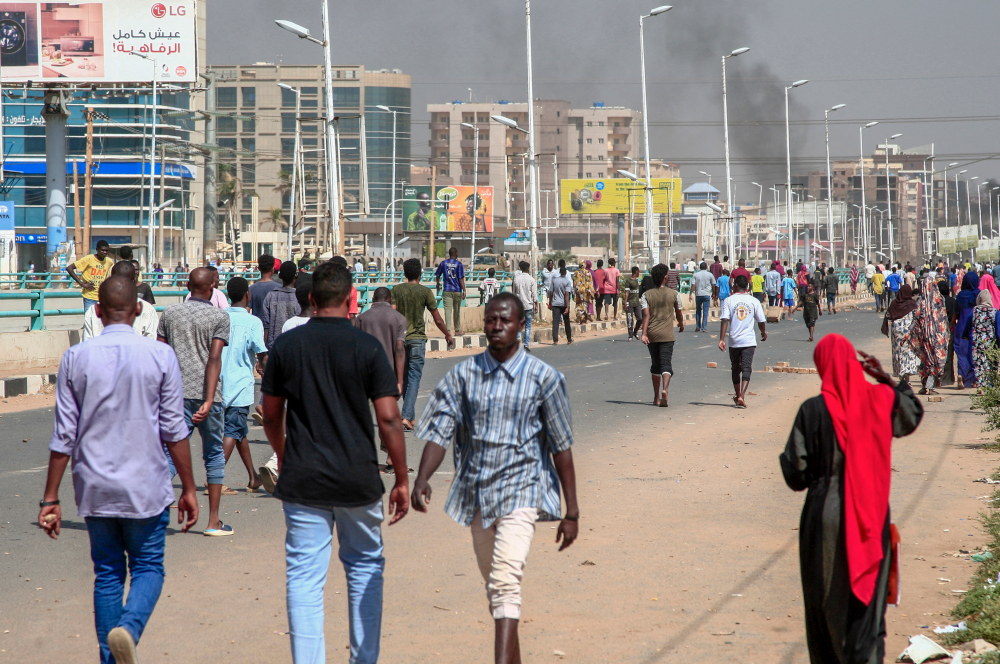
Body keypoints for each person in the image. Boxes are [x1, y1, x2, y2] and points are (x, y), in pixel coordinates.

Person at [410, 293, 579, 664]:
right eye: (490, 320)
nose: (496, 327)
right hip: (478, 496)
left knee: (505, 583)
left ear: (520, 325)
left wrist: (573, 512)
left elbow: (561, 446)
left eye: (505, 320)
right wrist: (421, 479)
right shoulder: (463, 375)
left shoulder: (544, 378)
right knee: (497, 591)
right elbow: (440, 431)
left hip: (523, 492)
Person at [40, 275, 199, 664]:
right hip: (146, 486)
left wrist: (50, 498)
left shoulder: (76, 358)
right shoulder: (160, 356)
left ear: (97, 310)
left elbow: (65, 435)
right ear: (140, 309)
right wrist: (190, 488)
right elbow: (174, 431)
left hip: (94, 487)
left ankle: (110, 659)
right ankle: (128, 630)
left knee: (108, 575)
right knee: (148, 568)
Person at [261, 262, 410, 664]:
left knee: (304, 579)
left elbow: (271, 415)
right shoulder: (367, 348)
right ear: (350, 300)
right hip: (358, 478)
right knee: (364, 570)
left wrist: (286, 453)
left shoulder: (287, 348)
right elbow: (389, 418)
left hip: (304, 479)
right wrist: (400, 477)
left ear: (310, 300)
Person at [780, 334, 923, 664]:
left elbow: (796, 474)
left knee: (823, 601)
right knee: (867, 606)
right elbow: (912, 415)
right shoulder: (880, 400)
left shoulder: (812, 411)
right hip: (870, 517)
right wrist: (887, 379)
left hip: (823, 517)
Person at [157, 267, 232, 536]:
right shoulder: (219, 316)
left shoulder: (170, 313)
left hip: (174, 395)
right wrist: (209, 399)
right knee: (213, 455)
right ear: (212, 287)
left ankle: (150, 514)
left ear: (187, 285)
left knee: (169, 454)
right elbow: (214, 359)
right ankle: (213, 522)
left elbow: (161, 354)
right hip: (207, 397)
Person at [393, 258, 454, 431]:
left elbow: (392, 314)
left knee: (405, 378)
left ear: (404, 273)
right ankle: (406, 416)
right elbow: (437, 318)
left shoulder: (396, 290)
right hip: (418, 340)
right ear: (420, 273)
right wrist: (447, 334)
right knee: (413, 378)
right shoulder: (425, 292)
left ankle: (409, 416)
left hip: (400, 340)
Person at [220, 276, 267, 492]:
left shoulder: (220, 317)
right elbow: (261, 351)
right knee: (233, 428)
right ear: (247, 296)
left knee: (239, 429)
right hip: (239, 383)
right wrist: (266, 367)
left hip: (218, 382)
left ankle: (253, 478)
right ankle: (215, 477)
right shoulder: (252, 322)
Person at [718, 275, 766, 408]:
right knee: (746, 367)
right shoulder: (754, 301)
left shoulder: (729, 300)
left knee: (735, 368)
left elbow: (724, 320)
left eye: (733, 285)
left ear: (737, 286)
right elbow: (761, 321)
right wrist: (763, 333)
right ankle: (741, 396)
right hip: (749, 341)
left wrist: (722, 339)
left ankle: (739, 394)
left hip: (734, 340)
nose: (732, 286)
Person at [640, 263, 684, 406]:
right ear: (665, 277)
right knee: (666, 364)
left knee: (655, 365)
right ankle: (665, 389)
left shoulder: (646, 295)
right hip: (667, 335)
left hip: (652, 334)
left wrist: (644, 333)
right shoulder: (674, 294)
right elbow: (679, 313)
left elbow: (645, 316)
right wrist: (681, 324)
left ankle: (656, 398)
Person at [83, 261, 159, 341]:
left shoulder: (93, 310)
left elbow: (86, 342)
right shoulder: (147, 309)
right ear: (134, 280)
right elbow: (152, 339)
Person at [916, 275, 950, 395]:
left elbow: (916, 318)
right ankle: (929, 387)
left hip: (924, 336)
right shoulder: (939, 299)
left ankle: (926, 386)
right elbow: (943, 317)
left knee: (926, 360)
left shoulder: (920, 300)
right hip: (937, 336)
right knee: (934, 360)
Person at [880, 284, 920, 385]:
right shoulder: (912, 303)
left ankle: (901, 374)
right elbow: (917, 317)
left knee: (898, 352)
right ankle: (906, 372)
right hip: (909, 332)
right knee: (908, 352)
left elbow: (888, 315)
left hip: (897, 332)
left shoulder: (894, 303)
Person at [66, 239, 114, 312]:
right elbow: (69, 268)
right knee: (89, 320)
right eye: (103, 250)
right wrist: (82, 284)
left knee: (100, 321)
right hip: (90, 296)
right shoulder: (89, 259)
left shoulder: (109, 261)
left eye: (107, 251)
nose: (105, 253)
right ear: (97, 249)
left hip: (102, 297)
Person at [262, 261, 301, 349]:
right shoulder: (299, 297)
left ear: (280, 276)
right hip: (294, 347)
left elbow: (266, 325)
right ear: (296, 275)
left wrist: (263, 350)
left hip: (274, 347)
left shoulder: (270, 296)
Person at [955, 271, 980, 389]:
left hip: (961, 325)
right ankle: (974, 380)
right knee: (974, 352)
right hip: (974, 326)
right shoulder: (978, 294)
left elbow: (956, 312)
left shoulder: (960, 295)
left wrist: (951, 325)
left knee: (962, 352)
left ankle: (960, 376)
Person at [436, 247, 467, 336]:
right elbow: (461, 278)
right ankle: (457, 330)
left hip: (447, 290)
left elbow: (437, 274)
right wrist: (464, 289)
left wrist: (438, 284)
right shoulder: (459, 264)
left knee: (448, 311)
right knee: (457, 310)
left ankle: (448, 331)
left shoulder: (443, 263)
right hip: (457, 290)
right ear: (456, 253)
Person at [972, 290, 998, 388]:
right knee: (990, 364)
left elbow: (967, 326)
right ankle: (989, 386)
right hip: (990, 344)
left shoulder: (974, 311)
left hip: (977, 344)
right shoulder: (994, 312)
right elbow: (998, 329)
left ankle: (980, 386)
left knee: (979, 365)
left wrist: (965, 335)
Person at [511, 260, 538, 351]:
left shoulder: (516, 279)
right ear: (528, 269)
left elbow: (514, 293)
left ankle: (518, 338)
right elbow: (534, 294)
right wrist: (536, 304)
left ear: (521, 269)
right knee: (528, 325)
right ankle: (526, 344)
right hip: (528, 306)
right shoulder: (531, 279)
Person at [250, 254, 281, 324]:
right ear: (272, 269)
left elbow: (247, 309)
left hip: (258, 327)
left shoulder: (251, 289)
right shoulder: (280, 288)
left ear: (259, 268)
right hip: (275, 328)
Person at [549, 262, 574, 344]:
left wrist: (550, 302)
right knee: (566, 321)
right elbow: (567, 294)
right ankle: (569, 339)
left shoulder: (554, 280)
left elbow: (551, 293)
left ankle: (555, 340)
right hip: (563, 304)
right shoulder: (567, 282)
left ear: (559, 272)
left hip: (555, 304)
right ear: (565, 273)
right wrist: (567, 306)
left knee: (555, 322)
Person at [689, 261, 716, 332]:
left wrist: (690, 294)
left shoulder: (696, 275)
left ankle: (698, 326)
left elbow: (693, 285)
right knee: (705, 311)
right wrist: (714, 293)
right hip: (707, 294)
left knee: (698, 310)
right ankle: (704, 327)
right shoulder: (710, 275)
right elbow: (713, 285)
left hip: (698, 294)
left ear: (700, 267)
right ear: (706, 267)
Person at [623, 266, 643, 341]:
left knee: (640, 318)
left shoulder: (637, 281)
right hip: (630, 303)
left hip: (637, 303)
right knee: (630, 320)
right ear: (636, 272)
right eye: (638, 272)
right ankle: (630, 335)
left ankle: (635, 332)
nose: (639, 273)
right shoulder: (628, 281)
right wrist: (625, 303)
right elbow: (627, 293)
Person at [539, 259, 557, 323]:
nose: (550, 265)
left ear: (553, 265)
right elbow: (543, 281)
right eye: (549, 264)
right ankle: (543, 319)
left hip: (553, 291)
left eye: (551, 264)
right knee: (544, 303)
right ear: (547, 265)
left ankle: (555, 318)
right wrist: (540, 285)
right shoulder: (544, 272)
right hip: (545, 290)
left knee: (554, 305)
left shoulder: (555, 272)